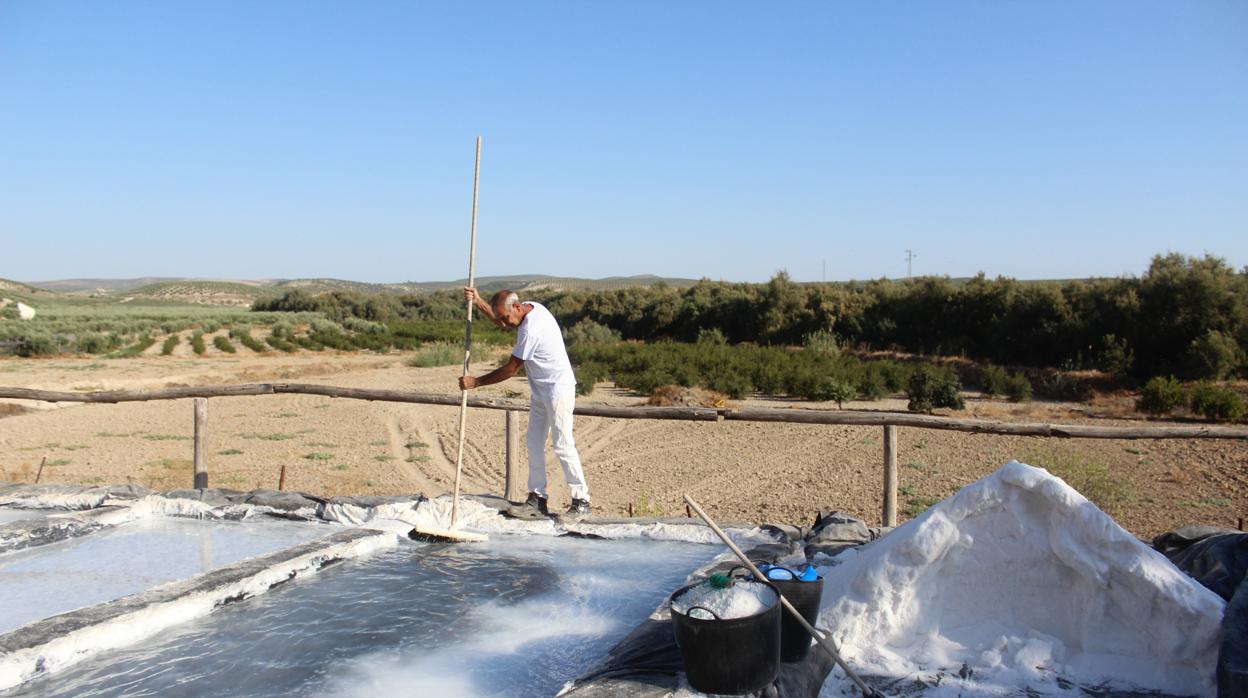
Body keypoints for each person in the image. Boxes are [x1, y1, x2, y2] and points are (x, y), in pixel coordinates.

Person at [459, 287, 591, 518]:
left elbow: (511, 370)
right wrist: (479, 302)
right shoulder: (531, 307)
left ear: (517, 308)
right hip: (541, 390)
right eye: (501, 318)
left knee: (562, 443)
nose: (503, 324)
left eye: (506, 318)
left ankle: (581, 501)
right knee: (533, 443)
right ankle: (537, 498)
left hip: (558, 390)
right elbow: (502, 320)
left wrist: (476, 382)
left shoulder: (531, 330)